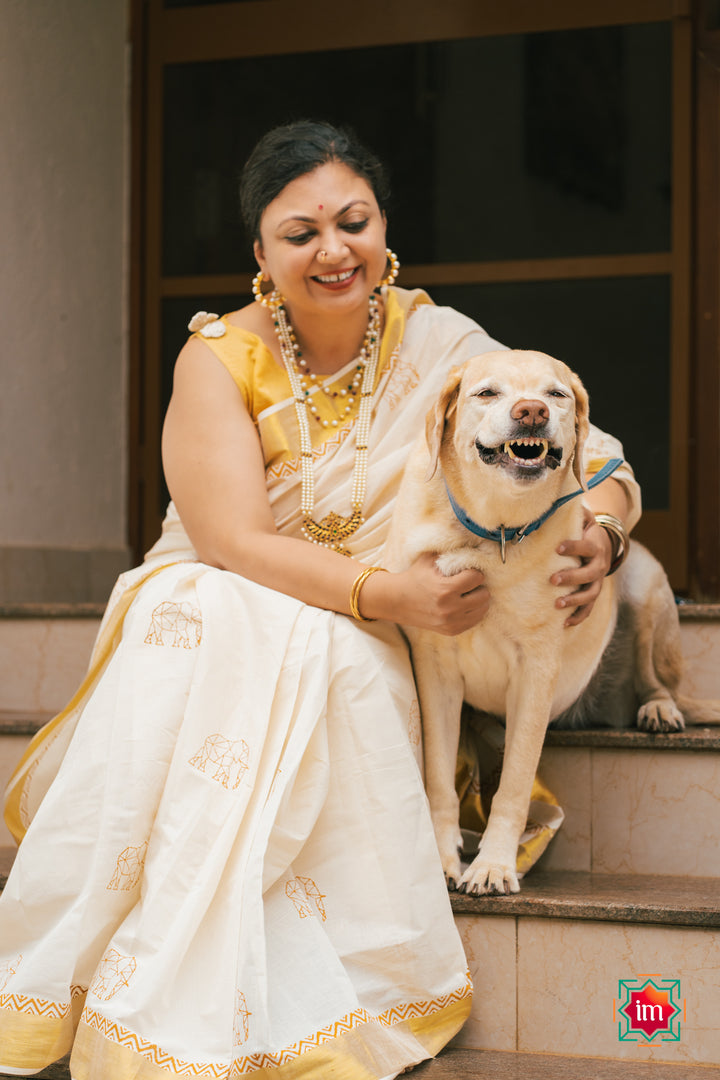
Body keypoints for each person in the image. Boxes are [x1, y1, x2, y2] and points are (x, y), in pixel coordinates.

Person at [0, 120, 639, 1079]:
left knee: (331, 657)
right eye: (301, 233)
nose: (333, 250)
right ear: (261, 253)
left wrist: (605, 529)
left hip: (376, 628)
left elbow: (592, 448)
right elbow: (230, 543)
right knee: (206, 622)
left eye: (354, 221)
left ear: (384, 230)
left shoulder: (444, 342)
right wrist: (394, 594)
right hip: (246, 595)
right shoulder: (217, 358)